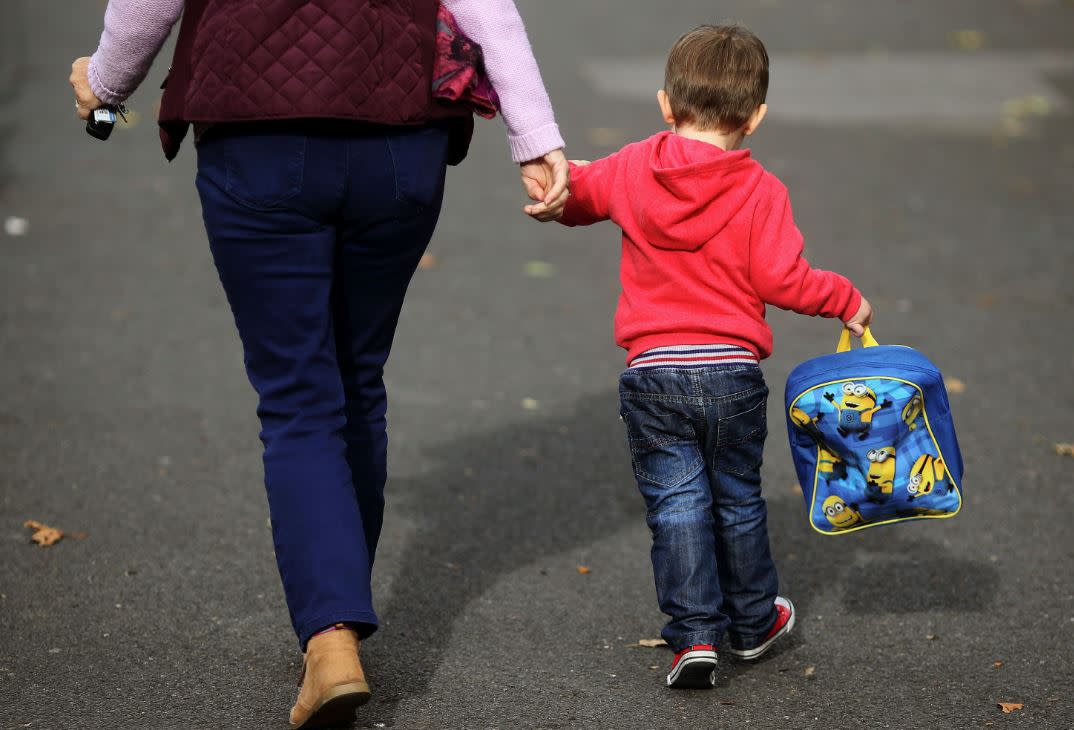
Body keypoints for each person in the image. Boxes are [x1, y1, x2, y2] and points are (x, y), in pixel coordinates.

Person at [68, 1, 568, 726]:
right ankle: (338, 622)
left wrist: (106, 82)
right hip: (399, 139)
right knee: (357, 379)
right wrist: (535, 136)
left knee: (299, 395)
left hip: (258, 137)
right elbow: (486, 6)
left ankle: (330, 642)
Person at [534, 24, 873, 689]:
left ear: (666, 104)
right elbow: (783, 280)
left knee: (677, 505)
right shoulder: (761, 190)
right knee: (739, 499)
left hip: (654, 373)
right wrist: (845, 299)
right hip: (731, 373)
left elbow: (585, 192)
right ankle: (751, 623)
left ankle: (693, 635)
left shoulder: (635, 166)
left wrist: (556, 194)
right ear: (756, 117)